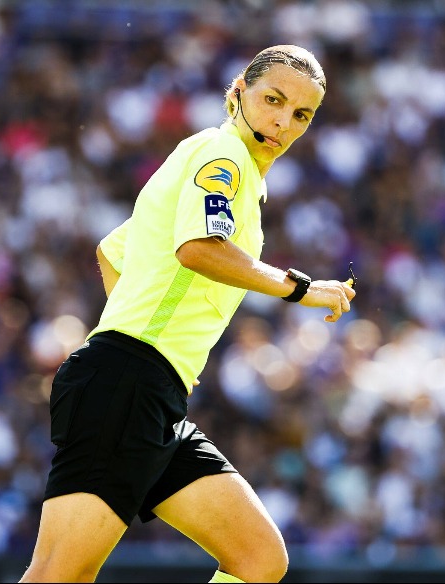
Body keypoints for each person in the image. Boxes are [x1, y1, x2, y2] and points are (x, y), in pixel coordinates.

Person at [20, 44, 355, 583]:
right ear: (236, 93)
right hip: (130, 378)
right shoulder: (224, 156)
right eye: (272, 99)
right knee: (59, 576)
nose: (282, 121)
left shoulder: (217, 160)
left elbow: (113, 252)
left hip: (146, 386)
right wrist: (299, 289)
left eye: (301, 114)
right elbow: (199, 247)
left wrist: (145, 343)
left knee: (259, 558)